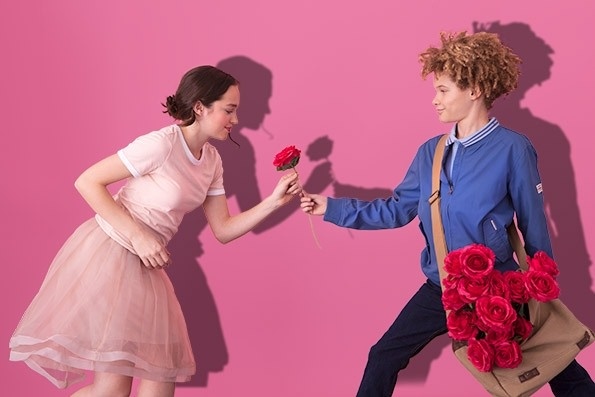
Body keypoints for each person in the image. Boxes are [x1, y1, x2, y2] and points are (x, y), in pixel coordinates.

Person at [300, 31, 595, 396]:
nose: (435, 100)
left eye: (443, 90)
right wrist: (329, 206)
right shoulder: (430, 153)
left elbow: (533, 223)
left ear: (474, 90)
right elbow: (396, 209)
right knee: (383, 356)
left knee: (556, 365)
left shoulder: (513, 149)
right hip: (443, 286)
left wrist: (540, 286)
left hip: (500, 289)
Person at [9, 65, 302, 397]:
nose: (236, 119)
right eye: (229, 110)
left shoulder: (212, 162)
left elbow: (223, 229)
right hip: (112, 252)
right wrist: (138, 237)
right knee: (112, 390)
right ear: (200, 107)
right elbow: (88, 181)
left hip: (147, 264)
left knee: (161, 381)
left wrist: (274, 202)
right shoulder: (161, 144)